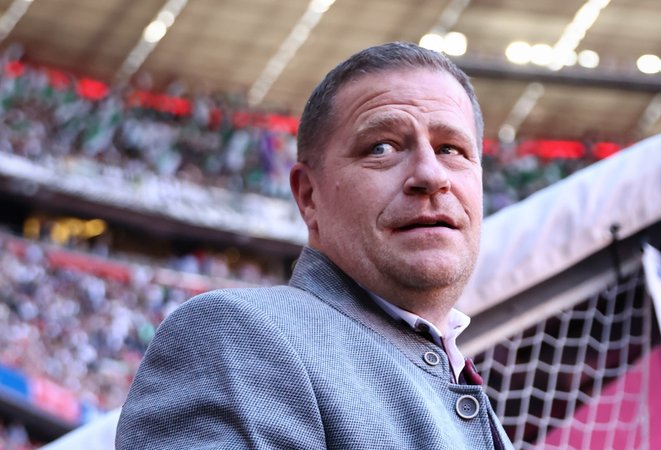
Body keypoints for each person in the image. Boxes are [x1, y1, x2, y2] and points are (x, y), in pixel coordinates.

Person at [115, 42, 513, 449]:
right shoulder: (238, 335)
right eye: (382, 147)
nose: (431, 175)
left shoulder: (458, 380)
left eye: (451, 149)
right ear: (309, 196)